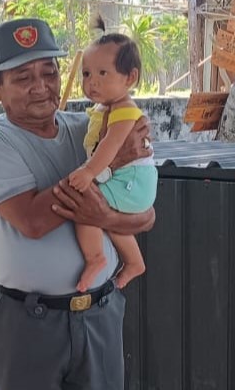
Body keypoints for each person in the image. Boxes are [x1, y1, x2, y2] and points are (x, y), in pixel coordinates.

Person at [0, 17, 156, 390]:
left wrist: (107, 213)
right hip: (27, 326)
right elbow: (33, 221)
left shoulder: (90, 129)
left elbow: (144, 217)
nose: (41, 87)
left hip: (100, 313)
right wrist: (107, 163)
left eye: (49, 73)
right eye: (23, 78)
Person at [68, 29, 154, 292]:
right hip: (129, 180)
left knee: (87, 207)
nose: (92, 82)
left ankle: (96, 259)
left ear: (130, 77)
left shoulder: (125, 110)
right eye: (86, 74)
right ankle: (134, 262)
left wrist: (88, 172)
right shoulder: (107, 109)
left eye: (102, 73)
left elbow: (111, 145)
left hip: (131, 180)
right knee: (109, 217)